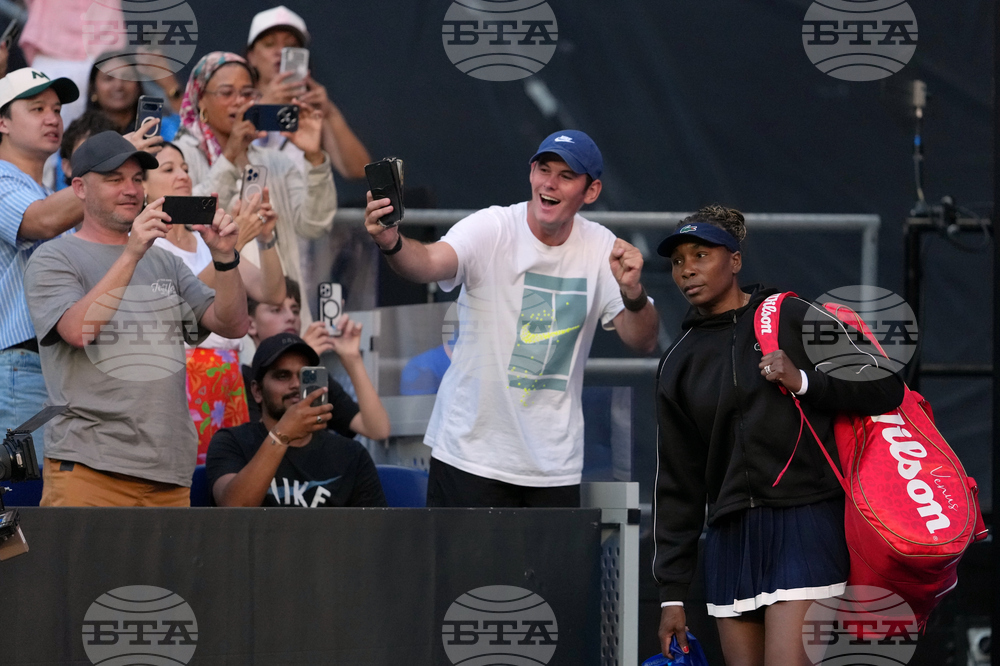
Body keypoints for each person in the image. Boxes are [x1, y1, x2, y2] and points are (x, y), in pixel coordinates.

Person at [651, 206, 905, 665]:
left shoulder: (788, 313)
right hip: (729, 538)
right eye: (677, 260)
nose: (687, 269)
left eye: (701, 254)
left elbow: (885, 386)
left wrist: (805, 381)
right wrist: (672, 594)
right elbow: (677, 483)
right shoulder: (677, 361)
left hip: (804, 522)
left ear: (734, 260)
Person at [365, 129, 659, 507]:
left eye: (566, 176)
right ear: (531, 173)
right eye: (544, 169)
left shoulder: (602, 247)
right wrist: (392, 242)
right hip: (469, 454)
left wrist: (633, 293)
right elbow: (428, 263)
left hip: (553, 465)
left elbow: (643, 340)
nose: (549, 183)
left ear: (592, 191)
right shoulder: (492, 227)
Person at [23, 131, 249, 507]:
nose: (130, 190)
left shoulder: (165, 261)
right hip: (89, 467)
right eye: (114, 179)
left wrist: (225, 258)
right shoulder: (54, 257)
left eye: (137, 179)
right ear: (79, 188)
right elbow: (78, 331)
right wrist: (131, 253)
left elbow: (233, 324)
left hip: (168, 470)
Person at [145, 141, 286, 463]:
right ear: (142, 186)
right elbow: (180, 306)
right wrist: (233, 246)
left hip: (228, 375)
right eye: (168, 169)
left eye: (185, 168)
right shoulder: (145, 243)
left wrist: (266, 238)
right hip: (179, 375)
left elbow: (273, 293)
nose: (183, 175)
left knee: (226, 472)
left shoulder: (204, 239)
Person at [174, 51, 336, 324]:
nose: (239, 101)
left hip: (279, 309)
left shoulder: (276, 162)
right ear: (201, 100)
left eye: (247, 93)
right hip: (215, 315)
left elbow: (315, 225)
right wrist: (230, 156)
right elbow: (186, 220)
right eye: (227, 93)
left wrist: (314, 157)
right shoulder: (179, 157)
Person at [207, 333, 387, 508]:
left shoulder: (351, 454)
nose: (296, 385)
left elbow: (374, 526)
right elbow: (235, 507)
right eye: (282, 376)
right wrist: (281, 435)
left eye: (305, 376)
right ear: (257, 391)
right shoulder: (231, 442)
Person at [244, 276, 390, 441]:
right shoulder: (238, 381)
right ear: (250, 325)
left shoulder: (315, 376)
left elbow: (378, 430)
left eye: (295, 310)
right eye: (277, 310)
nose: (291, 317)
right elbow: (254, 443)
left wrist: (352, 359)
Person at [245, 5, 371, 180]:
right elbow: (225, 159)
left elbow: (359, 170)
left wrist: (330, 113)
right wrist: (264, 108)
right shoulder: (236, 103)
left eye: (291, 46)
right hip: (253, 196)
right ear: (251, 57)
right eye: (269, 44)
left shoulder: (310, 108)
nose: (280, 52)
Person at [56, 109, 118, 190]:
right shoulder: (47, 197)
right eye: (86, 156)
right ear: (67, 167)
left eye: (104, 158)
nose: (96, 166)